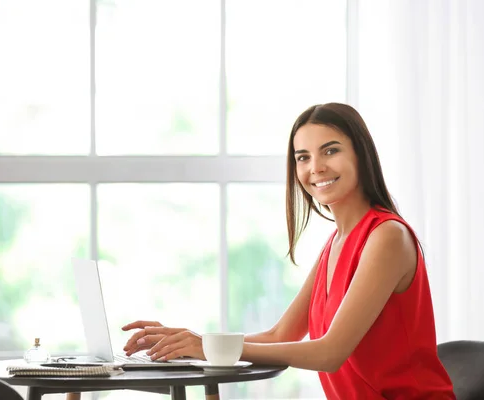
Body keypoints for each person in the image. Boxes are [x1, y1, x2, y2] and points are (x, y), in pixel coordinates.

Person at [122, 103, 456, 399]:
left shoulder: (387, 236)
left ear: (361, 154)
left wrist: (209, 350)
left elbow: (330, 352)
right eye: (303, 157)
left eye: (330, 151)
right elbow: (280, 335)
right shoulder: (336, 243)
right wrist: (191, 343)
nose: (316, 168)